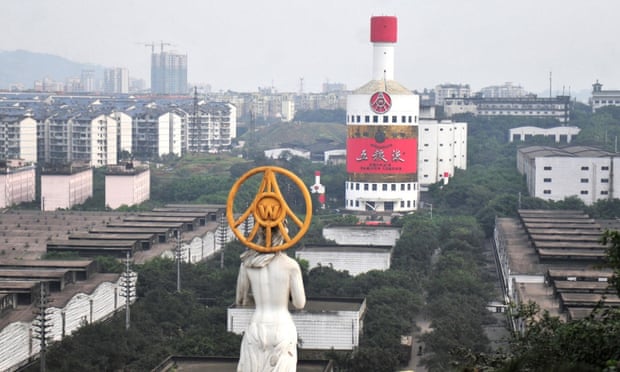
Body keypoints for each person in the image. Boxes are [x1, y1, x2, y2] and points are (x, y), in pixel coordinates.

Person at [235, 225, 306, 372]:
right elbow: (299, 303)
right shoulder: (291, 265)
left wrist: (259, 300)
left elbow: (241, 301)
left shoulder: (248, 264)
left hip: (256, 327)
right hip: (282, 327)